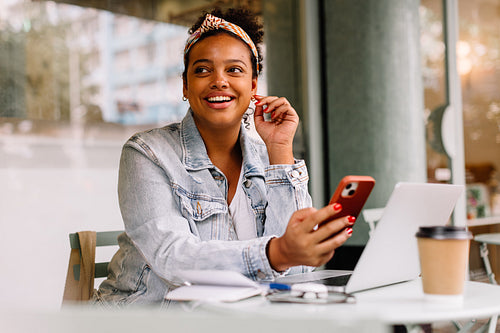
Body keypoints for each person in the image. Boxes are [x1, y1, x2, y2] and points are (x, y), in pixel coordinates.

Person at [95, 7, 355, 305]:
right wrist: (275, 252)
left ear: (253, 85)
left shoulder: (265, 157)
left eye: (234, 70)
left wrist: (280, 148)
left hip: (236, 319)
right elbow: (172, 259)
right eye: (203, 70)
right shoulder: (147, 153)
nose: (219, 80)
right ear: (185, 85)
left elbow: (294, 267)